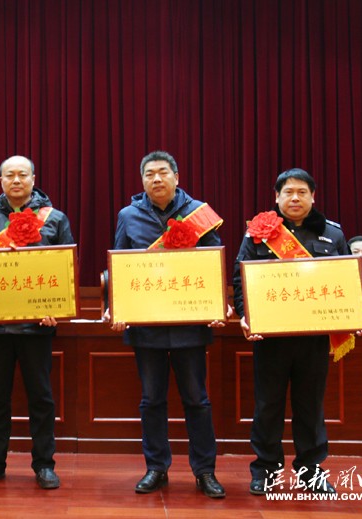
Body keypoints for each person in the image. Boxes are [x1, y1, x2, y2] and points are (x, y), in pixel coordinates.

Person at [234, 168, 362, 495]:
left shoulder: (332, 234)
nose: (295, 198)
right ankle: (266, 470)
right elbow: (241, 280)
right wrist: (245, 315)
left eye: (302, 192)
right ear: (276, 197)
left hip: (313, 338)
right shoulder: (258, 233)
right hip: (270, 338)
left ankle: (311, 470)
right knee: (268, 405)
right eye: (288, 192)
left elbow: (345, 281)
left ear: (313, 197)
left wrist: (355, 314)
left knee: (310, 406)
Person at [109, 150, 227, 499]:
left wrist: (217, 304)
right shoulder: (128, 216)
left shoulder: (198, 213)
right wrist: (116, 307)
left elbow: (213, 263)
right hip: (147, 326)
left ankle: (205, 471)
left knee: (197, 400)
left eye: (163, 172)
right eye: (149, 174)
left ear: (177, 177)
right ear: (142, 180)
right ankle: (156, 468)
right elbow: (119, 266)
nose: (156, 179)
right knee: (151, 400)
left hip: (189, 324)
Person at [0, 155, 74, 490]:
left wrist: (58, 307)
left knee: (41, 397)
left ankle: (44, 464)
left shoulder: (54, 219)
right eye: (10, 175)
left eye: (23, 174)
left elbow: (67, 268)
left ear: (34, 178)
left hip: (38, 325)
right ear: (1, 181)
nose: (17, 180)